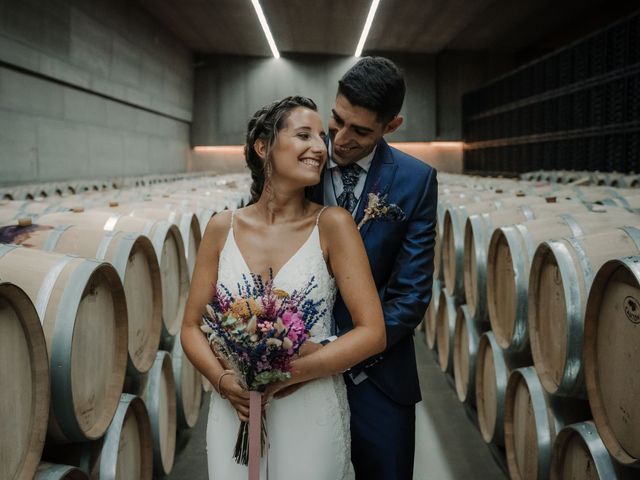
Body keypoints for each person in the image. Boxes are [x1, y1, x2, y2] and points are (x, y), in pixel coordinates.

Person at [181, 96, 386, 479]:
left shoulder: (333, 225)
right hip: (234, 409)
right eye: (304, 135)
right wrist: (224, 382)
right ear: (264, 147)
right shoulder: (220, 228)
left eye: (321, 138)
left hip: (308, 405)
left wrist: (290, 373)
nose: (320, 148)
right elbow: (191, 327)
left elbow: (373, 333)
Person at [307, 56, 438, 479]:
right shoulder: (298, 163)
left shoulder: (415, 180)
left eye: (360, 131)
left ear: (391, 126)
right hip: (294, 366)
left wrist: (344, 350)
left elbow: (412, 295)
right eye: (336, 120)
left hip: (379, 378)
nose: (340, 140)